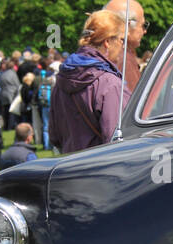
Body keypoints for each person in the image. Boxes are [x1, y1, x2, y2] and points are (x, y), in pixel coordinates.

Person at [51, 10, 128, 153]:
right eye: (122, 40)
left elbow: (55, 136)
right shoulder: (110, 85)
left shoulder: (61, 80)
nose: (124, 46)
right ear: (107, 42)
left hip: (69, 167)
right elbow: (117, 142)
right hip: (100, 169)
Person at [104, 0, 147, 92]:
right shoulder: (123, 59)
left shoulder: (92, 52)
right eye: (143, 25)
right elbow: (133, 104)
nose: (145, 31)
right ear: (127, 25)